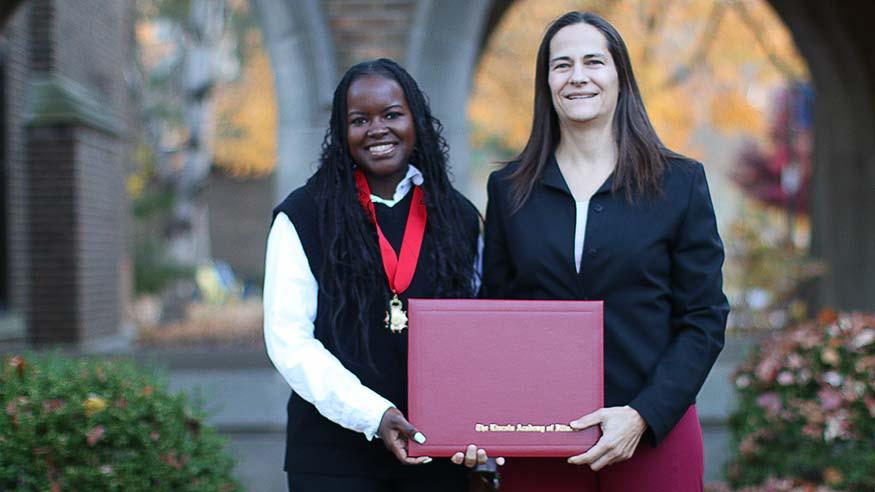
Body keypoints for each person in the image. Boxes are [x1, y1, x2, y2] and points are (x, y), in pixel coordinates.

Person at [479, 11, 730, 491]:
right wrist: (479, 420)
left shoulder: (680, 183)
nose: (577, 76)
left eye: (593, 62)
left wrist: (642, 415)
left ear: (620, 77)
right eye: (561, 64)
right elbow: (496, 317)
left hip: (655, 430)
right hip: (539, 435)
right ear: (546, 81)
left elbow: (703, 317)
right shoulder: (509, 189)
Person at [263, 58, 481, 492]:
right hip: (332, 461)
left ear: (416, 120)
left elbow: (475, 335)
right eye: (359, 120)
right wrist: (372, 413)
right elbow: (288, 342)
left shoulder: (457, 215)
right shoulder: (303, 215)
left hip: (435, 453)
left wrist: (477, 430)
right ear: (341, 133)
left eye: (392, 114)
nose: (377, 129)